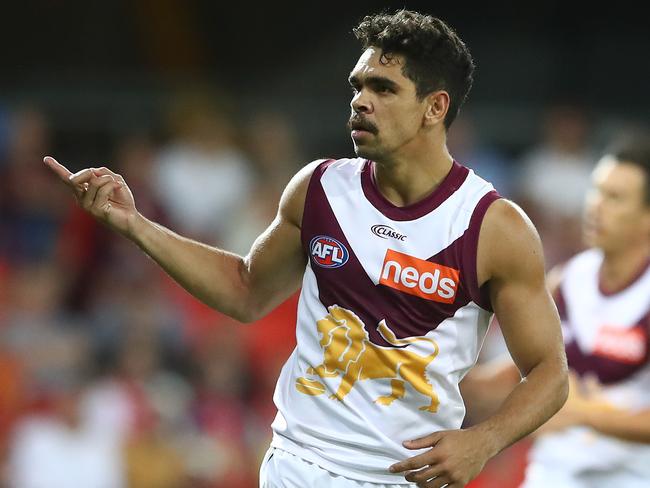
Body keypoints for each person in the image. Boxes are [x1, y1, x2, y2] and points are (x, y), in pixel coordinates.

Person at [44, 10, 568, 488]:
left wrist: (484, 440)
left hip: (407, 477)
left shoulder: (492, 226)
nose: (361, 100)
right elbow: (245, 291)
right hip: (300, 464)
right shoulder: (319, 188)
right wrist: (135, 225)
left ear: (435, 107)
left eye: (383, 89)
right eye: (357, 86)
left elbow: (550, 373)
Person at [463, 134, 650, 487]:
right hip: (554, 472)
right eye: (596, 191)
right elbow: (520, 373)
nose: (595, 206)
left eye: (615, 198)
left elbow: (562, 403)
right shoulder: (567, 281)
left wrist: (581, 414)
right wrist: (445, 376)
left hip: (630, 476)